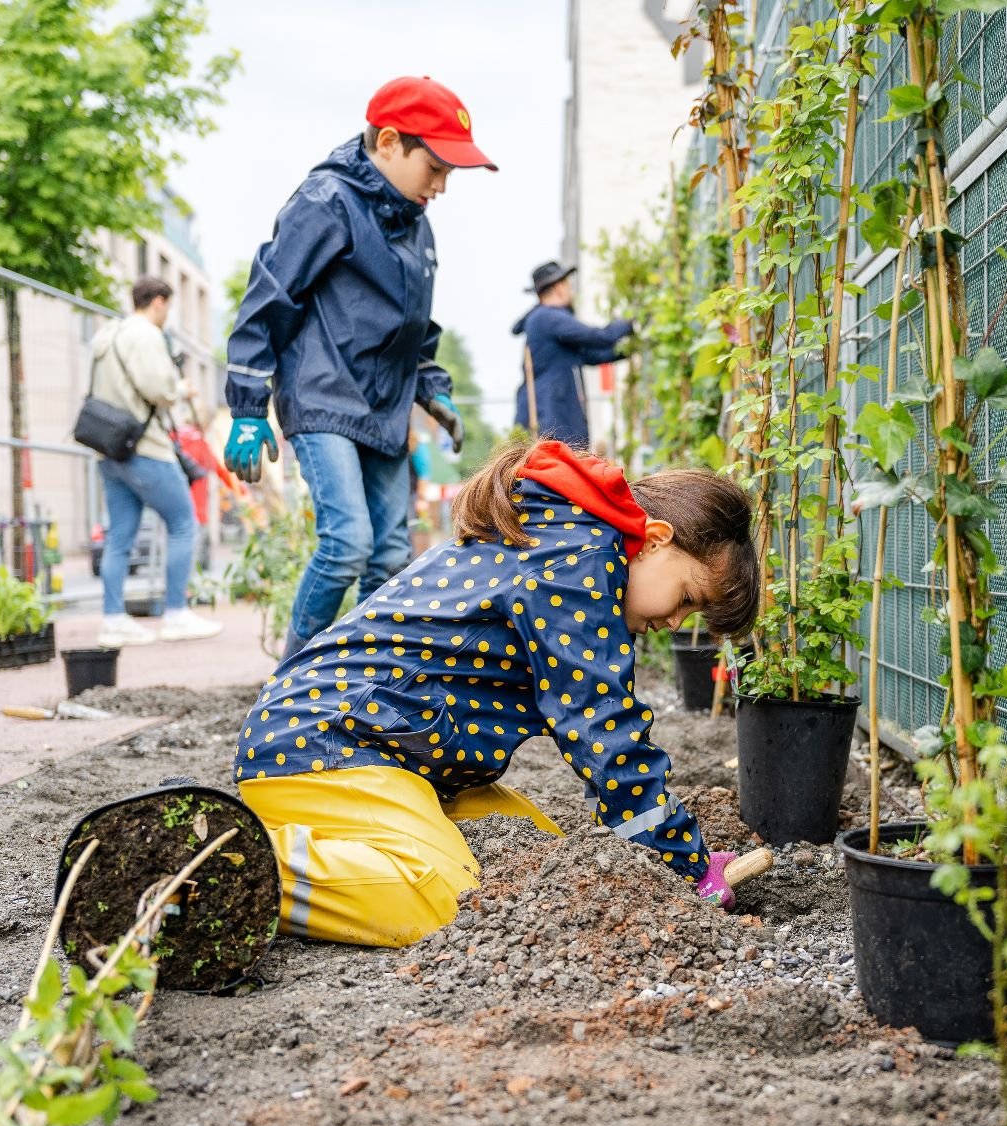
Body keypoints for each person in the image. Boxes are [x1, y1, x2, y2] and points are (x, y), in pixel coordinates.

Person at [232, 438, 759, 947]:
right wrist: (683, 862)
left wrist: (662, 858)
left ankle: (321, 848)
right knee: (447, 899)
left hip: (393, 753)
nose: (675, 622)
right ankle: (235, 866)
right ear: (658, 539)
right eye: (687, 597)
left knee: (545, 858)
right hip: (323, 744)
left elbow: (600, 748)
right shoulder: (577, 566)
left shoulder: (567, 542)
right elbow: (604, 733)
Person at [223, 76, 488, 656]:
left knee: (391, 556)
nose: (441, 185)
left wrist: (432, 388)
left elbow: (413, 323)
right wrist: (247, 406)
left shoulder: (415, 222)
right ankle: (290, 679)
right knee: (347, 544)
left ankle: (363, 676)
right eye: (435, 167)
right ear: (389, 142)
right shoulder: (326, 202)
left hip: (384, 409)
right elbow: (269, 298)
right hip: (323, 397)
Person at [92, 277, 222, 648]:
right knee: (183, 523)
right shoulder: (146, 335)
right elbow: (159, 390)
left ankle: (113, 620)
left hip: (108, 447)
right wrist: (180, 389)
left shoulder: (106, 334)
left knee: (119, 536)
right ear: (159, 302)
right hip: (144, 447)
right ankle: (176, 613)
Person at [511, 260, 633, 449]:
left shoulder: (545, 322)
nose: (570, 290)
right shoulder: (547, 317)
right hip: (551, 419)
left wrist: (630, 350)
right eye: (567, 285)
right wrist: (630, 324)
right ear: (558, 287)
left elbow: (592, 355)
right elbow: (597, 337)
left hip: (556, 417)